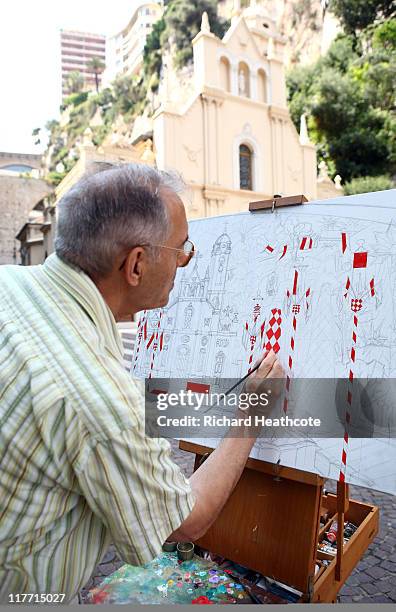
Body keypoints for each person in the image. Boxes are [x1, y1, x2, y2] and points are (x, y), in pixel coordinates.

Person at [0, 163, 283, 603]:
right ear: (135, 264)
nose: (185, 261)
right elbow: (182, 521)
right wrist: (249, 417)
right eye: (181, 249)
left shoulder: (9, 282)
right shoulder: (100, 398)